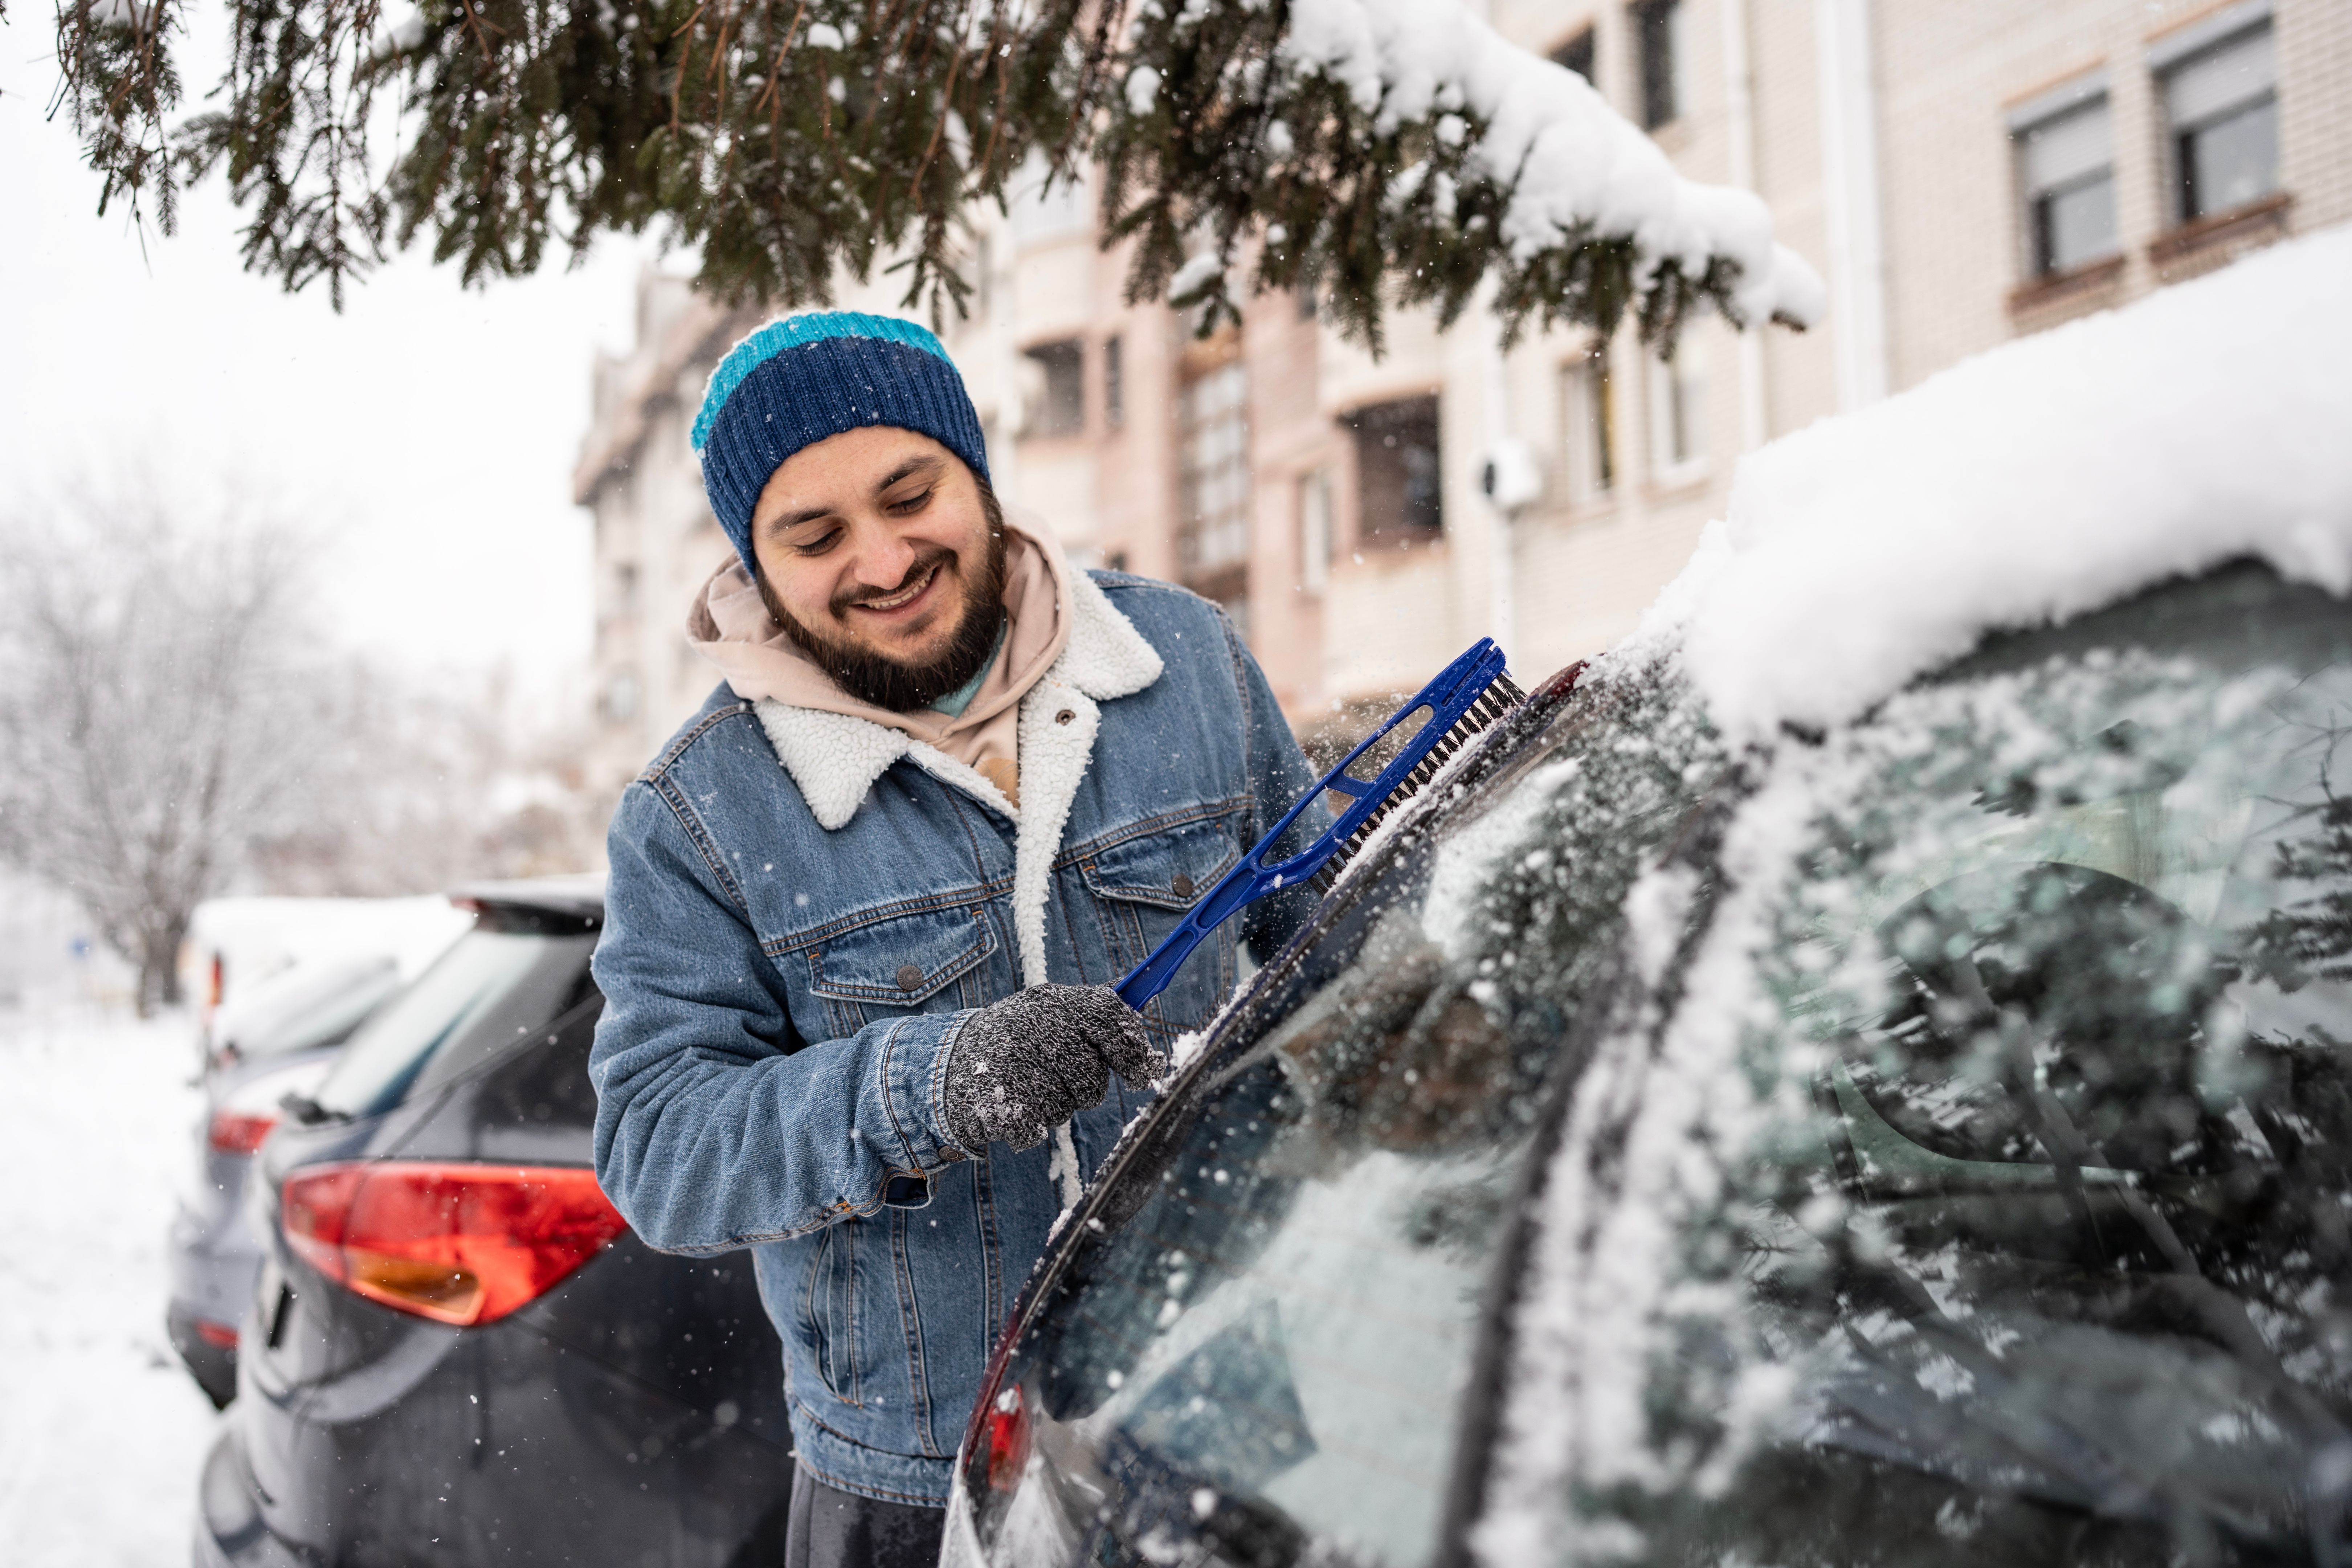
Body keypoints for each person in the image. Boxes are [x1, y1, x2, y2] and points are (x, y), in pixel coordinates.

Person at [587, 311, 1323, 1568]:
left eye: (909, 493)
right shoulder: (702, 817)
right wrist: (928, 1085)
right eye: (813, 537)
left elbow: (1328, 943)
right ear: (756, 570)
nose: (881, 559)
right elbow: (658, 1149)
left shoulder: (1184, 666)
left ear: (976, 477)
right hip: (918, 1497)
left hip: (1222, 1417)